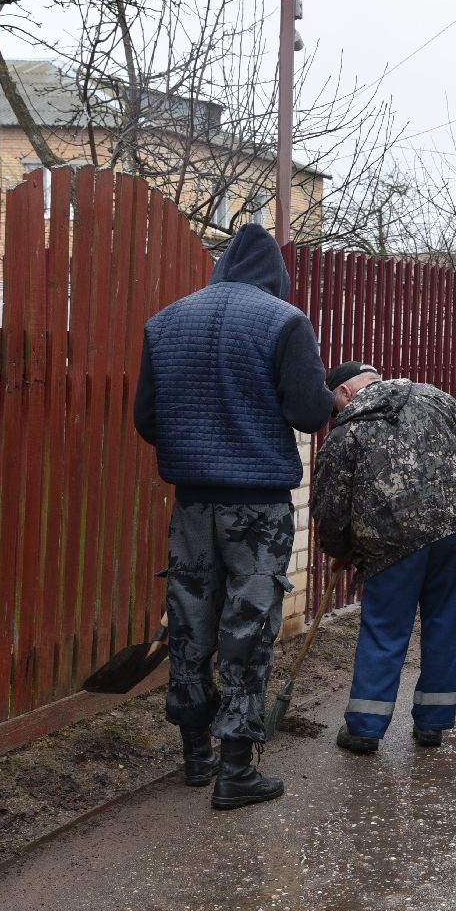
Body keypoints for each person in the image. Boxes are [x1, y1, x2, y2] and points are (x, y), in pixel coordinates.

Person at [133, 222, 333, 811]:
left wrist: (198, 438)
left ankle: (194, 754)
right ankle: (236, 768)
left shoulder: (166, 322)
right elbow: (307, 410)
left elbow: (147, 419)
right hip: (257, 507)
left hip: (192, 502)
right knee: (248, 628)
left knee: (190, 623)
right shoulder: (285, 321)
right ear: (275, 278)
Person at [311, 360, 456, 753]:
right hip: (453, 529)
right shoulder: (433, 396)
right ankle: (433, 725)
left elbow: (332, 505)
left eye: (334, 405)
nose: (335, 413)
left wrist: (340, 550)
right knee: (445, 623)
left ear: (346, 393)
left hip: (391, 544)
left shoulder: (348, 428)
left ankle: (365, 730)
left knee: (385, 630)